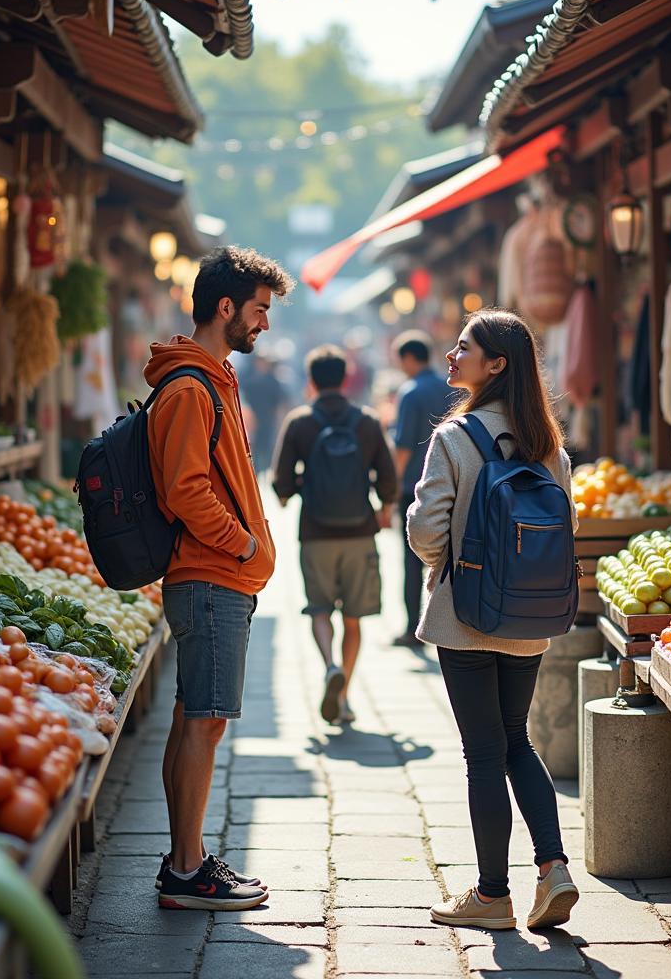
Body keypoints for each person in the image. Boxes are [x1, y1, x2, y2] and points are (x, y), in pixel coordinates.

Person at [406, 308, 580, 932]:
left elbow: (427, 531)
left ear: (496, 364)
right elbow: (567, 528)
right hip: (531, 617)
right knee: (516, 739)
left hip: (467, 615)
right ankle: (554, 866)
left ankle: (492, 895)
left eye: (463, 348)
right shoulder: (546, 444)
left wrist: (446, 563)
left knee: (483, 752)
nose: (451, 357)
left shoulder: (454, 439)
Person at [145, 246, 294, 911]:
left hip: (215, 578)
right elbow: (185, 491)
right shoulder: (188, 387)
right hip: (210, 578)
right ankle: (185, 870)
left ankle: (187, 857)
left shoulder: (212, 379)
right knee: (205, 724)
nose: (265, 324)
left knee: (191, 720)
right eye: (259, 310)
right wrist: (240, 547)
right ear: (226, 307)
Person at [272, 344, 397, 725]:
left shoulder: (300, 422)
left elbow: (280, 483)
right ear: (345, 378)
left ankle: (328, 665)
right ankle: (343, 697)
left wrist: (295, 488)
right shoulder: (367, 420)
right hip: (360, 532)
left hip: (315, 532)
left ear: (311, 381)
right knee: (354, 618)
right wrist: (384, 510)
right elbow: (389, 480)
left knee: (320, 609)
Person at [392, 331, 454, 647]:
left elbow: (402, 447)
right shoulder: (450, 388)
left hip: (414, 487)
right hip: (451, 484)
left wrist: (391, 487)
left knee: (411, 560)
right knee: (451, 555)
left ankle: (413, 627)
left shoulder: (410, 392)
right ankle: (451, 625)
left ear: (408, 358)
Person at [240, 355, 288, 478]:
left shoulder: (273, 382)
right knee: (252, 449)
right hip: (251, 421)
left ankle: (264, 474)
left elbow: (279, 403)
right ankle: (255, 474)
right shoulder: (249, 381)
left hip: (267, 420)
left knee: (266, 448)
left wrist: (279, 420)